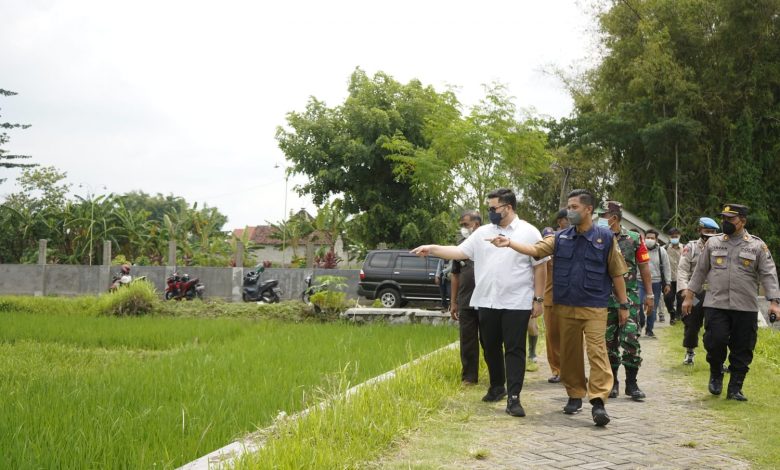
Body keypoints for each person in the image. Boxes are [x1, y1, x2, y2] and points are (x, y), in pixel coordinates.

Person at [488, 189, 630, 427]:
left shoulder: (604, 238)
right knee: (570, 356)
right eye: (569, 206)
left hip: (595, 306)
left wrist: (624, 304)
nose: (569, 211)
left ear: (588, 210)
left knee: (597, 352)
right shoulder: (560, 238)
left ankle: (598, 402)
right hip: (566, 307)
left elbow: (617, 274)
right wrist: (510, 242)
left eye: (574, 207)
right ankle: (575, 394)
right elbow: (535, 250)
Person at [411, 188, 547, 418]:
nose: (490, 212)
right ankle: (497, 387)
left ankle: (514, 398)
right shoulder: (483, 232)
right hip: (486, 300)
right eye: (489, 208)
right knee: (490, 346)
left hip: (516, 301)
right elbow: (459, 251)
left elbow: (540, 266)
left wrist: (539, 299)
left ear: (508, 207)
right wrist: (432, 248)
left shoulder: (529, 232)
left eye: (494, 208)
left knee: (514, 349)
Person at [682, 204, 780, 401]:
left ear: (742, 221)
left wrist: (775, 303)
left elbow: (768, 275)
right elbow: (700, 271)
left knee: (743, 347)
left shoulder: (757, 246)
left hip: (745, 306)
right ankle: (716, 372)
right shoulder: (713, 243)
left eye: (730, 219)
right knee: (714, 341)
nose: (725, 223)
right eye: (724, 219)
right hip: (716, 304)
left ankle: (735, 387)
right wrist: (689, 296)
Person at [596, 201, 654, 401]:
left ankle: (632, 383)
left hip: (629, 298)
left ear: (614, 217)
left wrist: (649, 294)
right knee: (607, 342)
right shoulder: (596, 237)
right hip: (603, 299)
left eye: (603, 215)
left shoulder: (635, 239)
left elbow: (644, 267)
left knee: (630, 339)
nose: (600, 219)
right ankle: (612, 383)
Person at [677, 217, 719, 365]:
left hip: (714, 293)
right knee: (692, 323)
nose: (710, 234)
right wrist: (684, 289)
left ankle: (716, 357)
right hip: (693, 293)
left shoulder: (721, 247)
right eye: (707, 231)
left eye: (713, 232)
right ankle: (689, 352)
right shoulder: (692, 247)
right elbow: (682, 270)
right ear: (699, 231)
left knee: (715, 326)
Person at [450, 210, 482, 385]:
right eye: (461, 225)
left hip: (487, 300)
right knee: (467, 339)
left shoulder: (489, 243)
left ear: (476, 224)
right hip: (466, 300)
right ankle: (469, 377)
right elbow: (455, 275)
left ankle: (497, 376)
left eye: (465, 225)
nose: (462, 228)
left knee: (489, 339)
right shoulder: (460, 247)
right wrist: (453, 302)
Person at [638, 229, 671, 337]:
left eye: (652, 238)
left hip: (656, 283)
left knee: (653, 308)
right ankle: (640, 323)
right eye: (648, 237)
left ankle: (649, 329)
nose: (650, 240)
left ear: (656, 240)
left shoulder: (662, 252)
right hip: (640, 281)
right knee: (638, 303)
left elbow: (667, 267)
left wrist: (668, 283)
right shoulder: (639, 249)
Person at [540, 226, 561, 383]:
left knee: (571, 338)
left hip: (568, 300)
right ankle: (556, 370)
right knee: (552, 337)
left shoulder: (564, 253)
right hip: (549, 300)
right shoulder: (542, 257)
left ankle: (571, 370)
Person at [665, 227, 683, 325]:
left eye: (676, 236)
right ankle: (672, 313)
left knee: (681, 298)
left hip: (681, 279)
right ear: (669, 237)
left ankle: (678, 316)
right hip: (669, 279)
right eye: (672, 237)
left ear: (679, 236)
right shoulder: (665, 248)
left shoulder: (685, 248)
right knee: (668, 298)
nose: (674, 238)